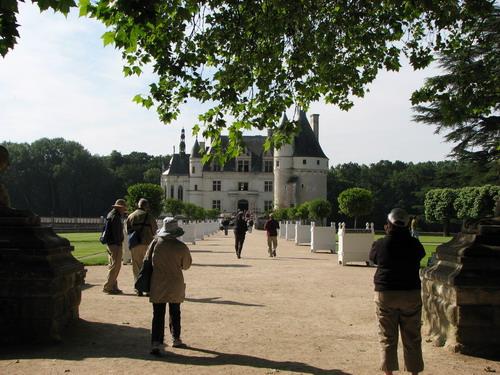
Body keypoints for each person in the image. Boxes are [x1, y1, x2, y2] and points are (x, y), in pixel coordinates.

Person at [369, 208, 426, 375]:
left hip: (386, 292)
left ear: (389, 225)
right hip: (410, 292)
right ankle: (414, 372)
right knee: (412, 337)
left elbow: (373, 258)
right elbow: (419, 255)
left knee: (387, 337)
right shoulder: (414, 244)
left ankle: (389, 372)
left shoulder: (381, 243)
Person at [149, 218, 192, 356]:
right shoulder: (181, 246)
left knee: (158, 314)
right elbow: (186, 265)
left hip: (158, 281)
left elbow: (147, 261)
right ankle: (176, 338)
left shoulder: (155, 243)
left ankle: (156, 342)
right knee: (175, 311)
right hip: (175, 282)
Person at [127, 198, 158, 296]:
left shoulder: (131, 216)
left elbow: (128, 230)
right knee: (147, 266)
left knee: (136, 267)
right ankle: (147, 289)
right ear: (146, 206)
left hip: (135, 244)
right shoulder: (149, 217)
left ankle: (138, 288)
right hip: (147, 244)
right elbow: (155, 230)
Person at [103, 199, 127, 294]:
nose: (124, 211)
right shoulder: (115, 217)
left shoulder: (111, 215)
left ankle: (113, 286)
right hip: (115, 244)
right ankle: (108, 287)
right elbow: (117, 233)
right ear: (120, 208)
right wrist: (119, 243)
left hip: (111, 244)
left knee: (112, 265)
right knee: (115, 266)